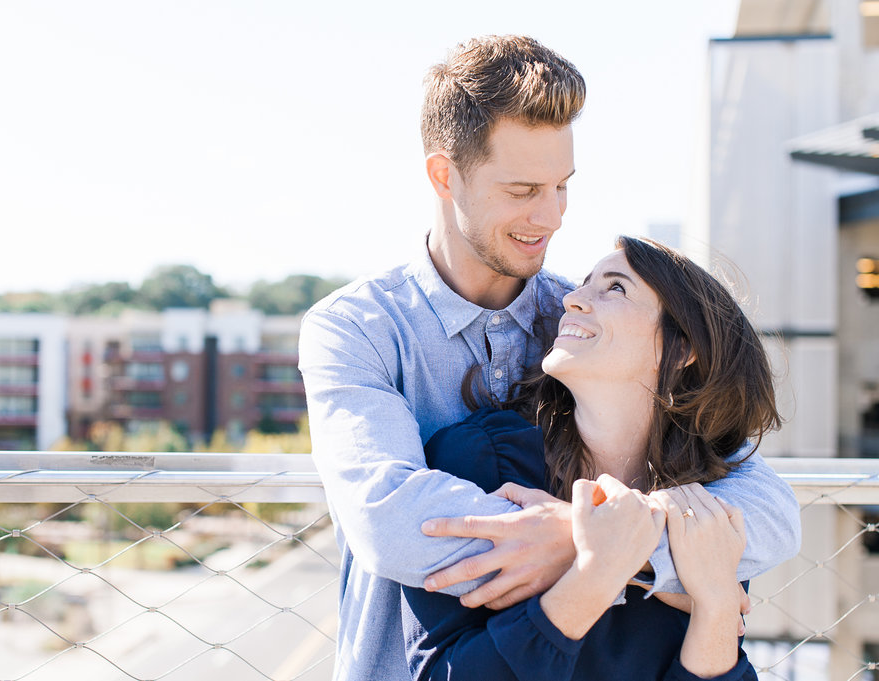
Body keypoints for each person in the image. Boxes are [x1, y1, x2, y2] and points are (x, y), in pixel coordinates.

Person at [297, 35, 801, 681]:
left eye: (562, 185)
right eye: (524, 188)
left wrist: (594, 541)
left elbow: (766, 510)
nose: (552, 215)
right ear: (444, 175)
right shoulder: (355, 329)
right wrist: (605, 549)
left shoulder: (581, 318)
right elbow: (387, 520)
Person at [403, 236, 783, 680]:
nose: (572, 299)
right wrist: (596, 571)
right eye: (584, 284)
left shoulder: (704, 499)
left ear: (683, 348)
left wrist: (717, 607)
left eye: (615, 288)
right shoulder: (481, 460)